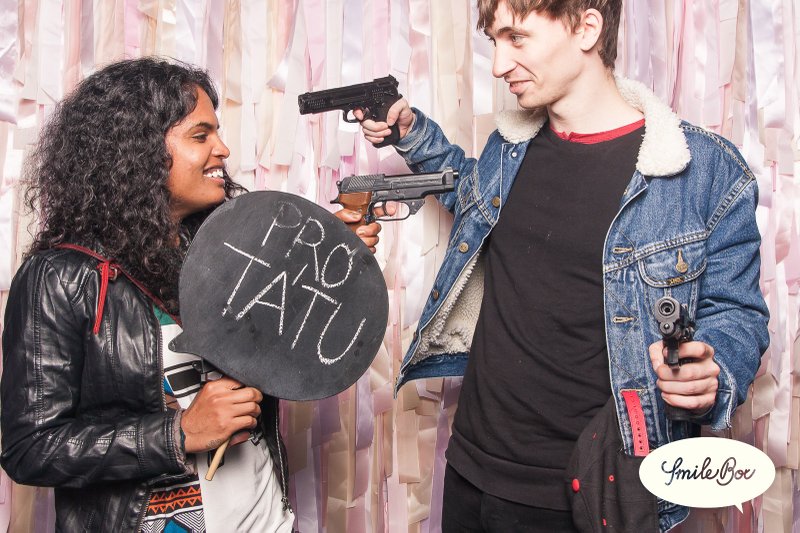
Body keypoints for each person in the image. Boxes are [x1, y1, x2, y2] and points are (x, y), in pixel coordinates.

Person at [357, 0, 769, 531]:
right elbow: (472, 197)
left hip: (593, 492)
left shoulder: (704, 171)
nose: (498, 65)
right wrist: (411, 132)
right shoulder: (509, 149)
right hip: (471, 471)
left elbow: (738, 313)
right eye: (494, 42)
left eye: (516, 38)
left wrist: (713, 375)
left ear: (587, 28)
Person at [0, 57, 384, 532]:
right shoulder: (61, 278)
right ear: (135, 151)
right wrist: (176, 433)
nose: (223, 149)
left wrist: (325, 265)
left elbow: (280, 348)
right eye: (201, 136)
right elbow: (30, 448)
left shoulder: (235, 250)